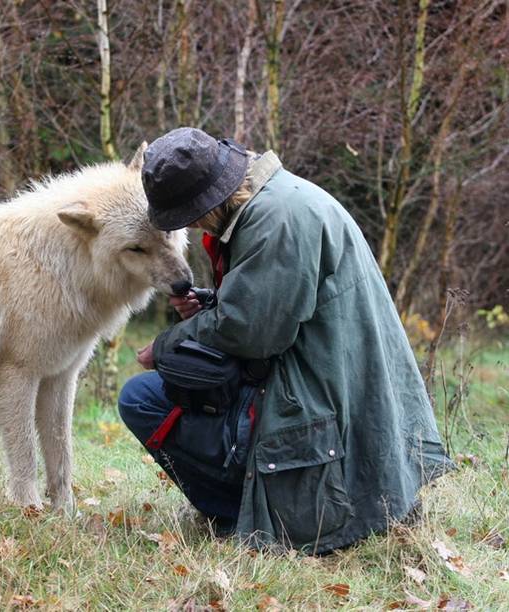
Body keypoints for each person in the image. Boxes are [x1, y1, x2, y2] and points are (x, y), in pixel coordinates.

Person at [118, 127, 454, 554]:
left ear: (210, 200)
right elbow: (274, 305)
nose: (194, 224)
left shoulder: (277, 222)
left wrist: (165, 347)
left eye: (191, 215)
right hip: (325, 383)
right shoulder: (279, 198)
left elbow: (251, 333)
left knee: (141, 399)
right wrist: (212, 304)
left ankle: (244, 515)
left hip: (319, 399)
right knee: (171, 385)